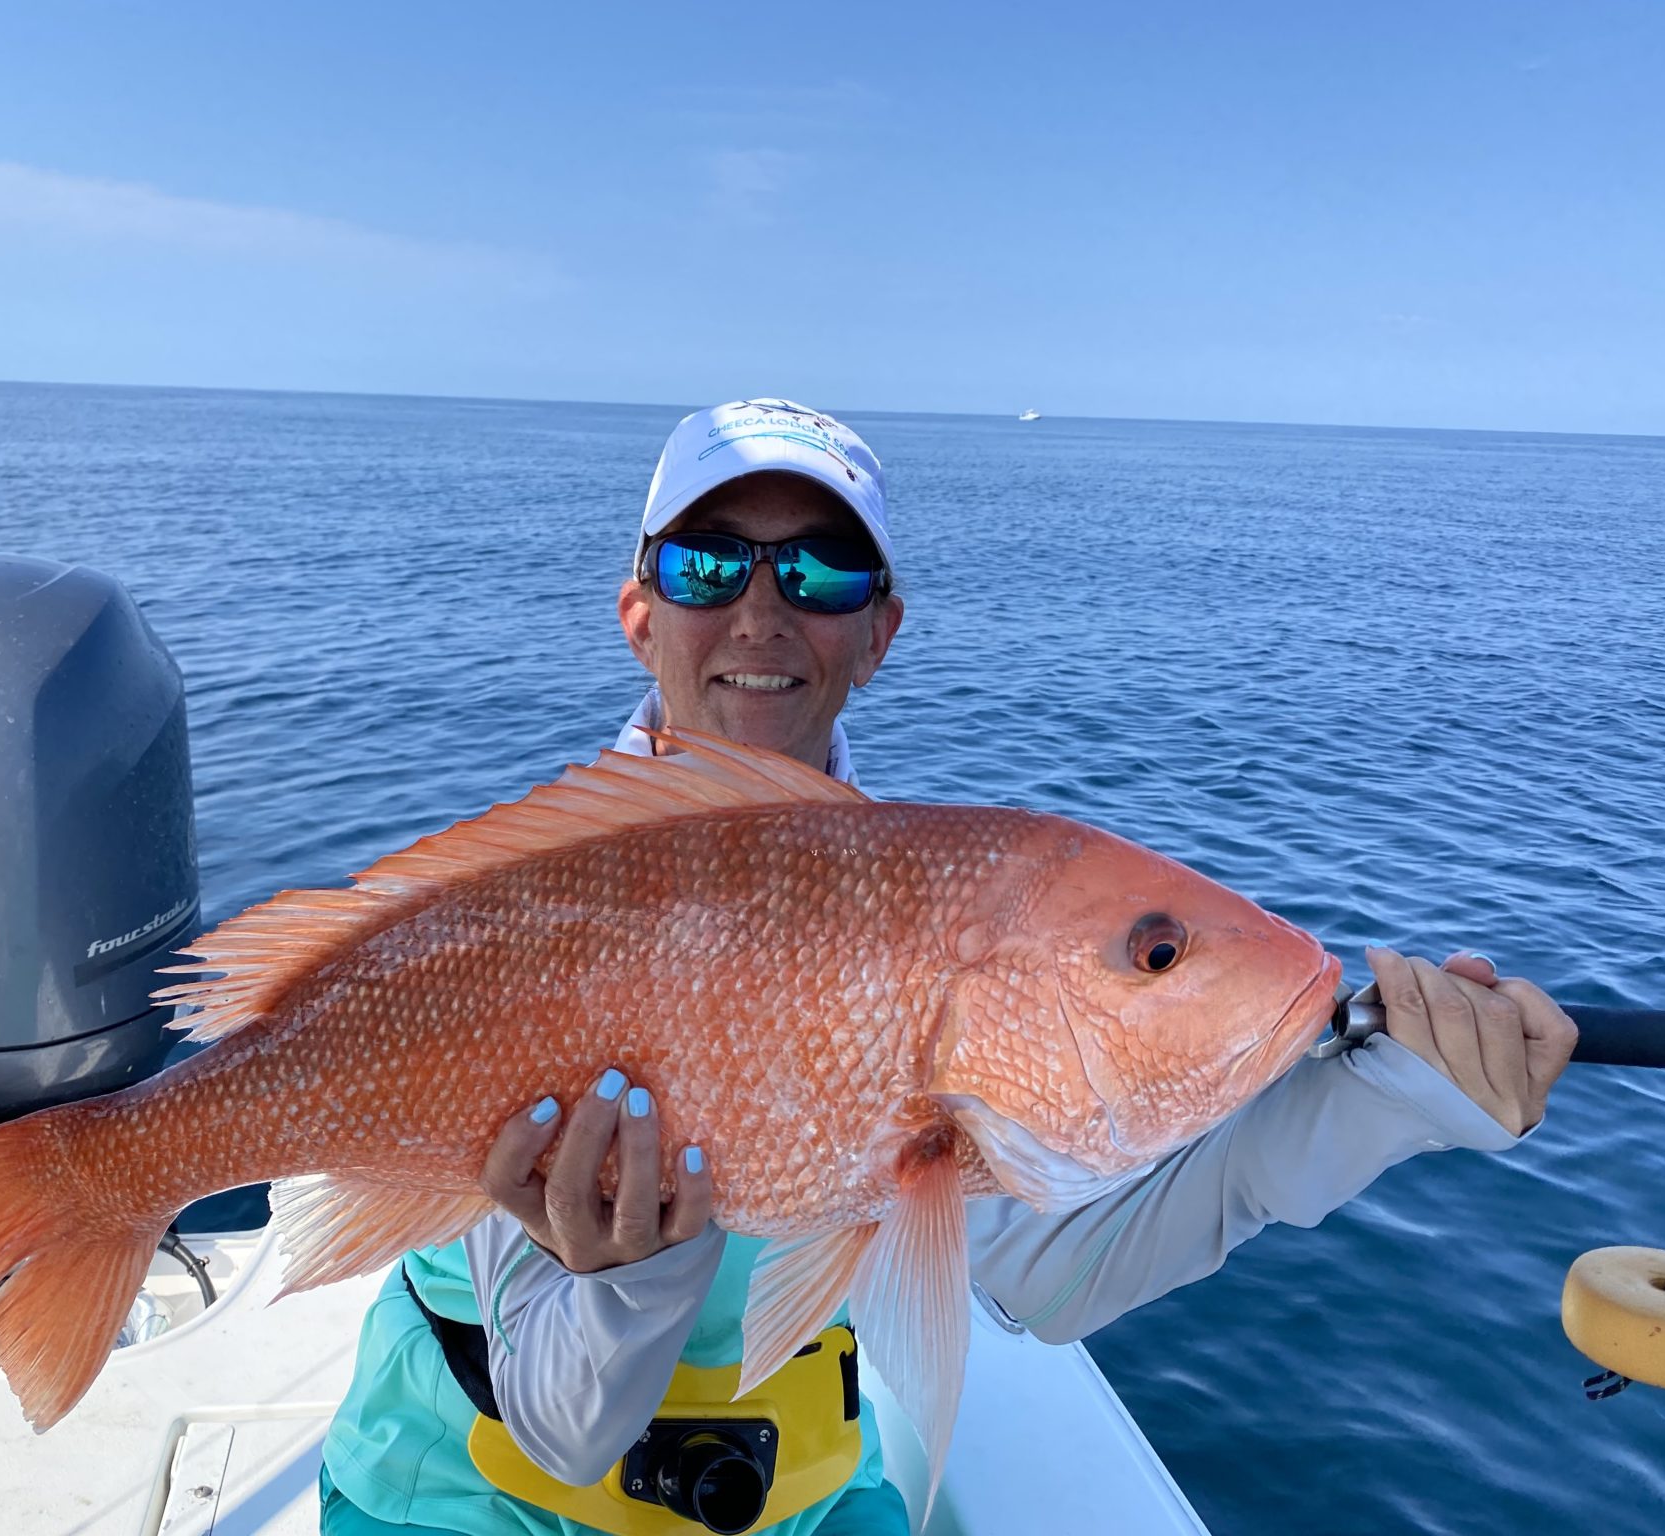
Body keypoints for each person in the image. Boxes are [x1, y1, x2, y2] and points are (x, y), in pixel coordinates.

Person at [320, 399, 1578, 1536]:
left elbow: (1040, 1270)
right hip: (458, 1504)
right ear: (637, 613)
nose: (761, 610)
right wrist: (625, 1272)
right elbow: (557, 1424)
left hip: (794, 1510)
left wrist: (1368, 1102)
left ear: (879, 630)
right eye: (708, 565)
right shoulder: (511, 918)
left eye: (820, 570)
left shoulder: (938, 916)